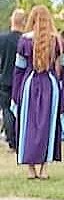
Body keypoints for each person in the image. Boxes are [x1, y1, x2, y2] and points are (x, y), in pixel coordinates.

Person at [11, 5, 64, 179]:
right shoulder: (58, 41)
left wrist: (15, 96)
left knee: (28, 125)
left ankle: (31, 169)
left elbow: (18, 70)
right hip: (50, 86)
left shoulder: (24, 41)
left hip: (29, 86)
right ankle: (44, 168)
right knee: (48, 126)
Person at [0, 8, 25, 151]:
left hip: (4, 79)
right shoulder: (25, 40)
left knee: (7, 110)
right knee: (21, 110)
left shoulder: (2, 39)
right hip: (21, 80)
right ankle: (20, 137)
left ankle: (11, 139)